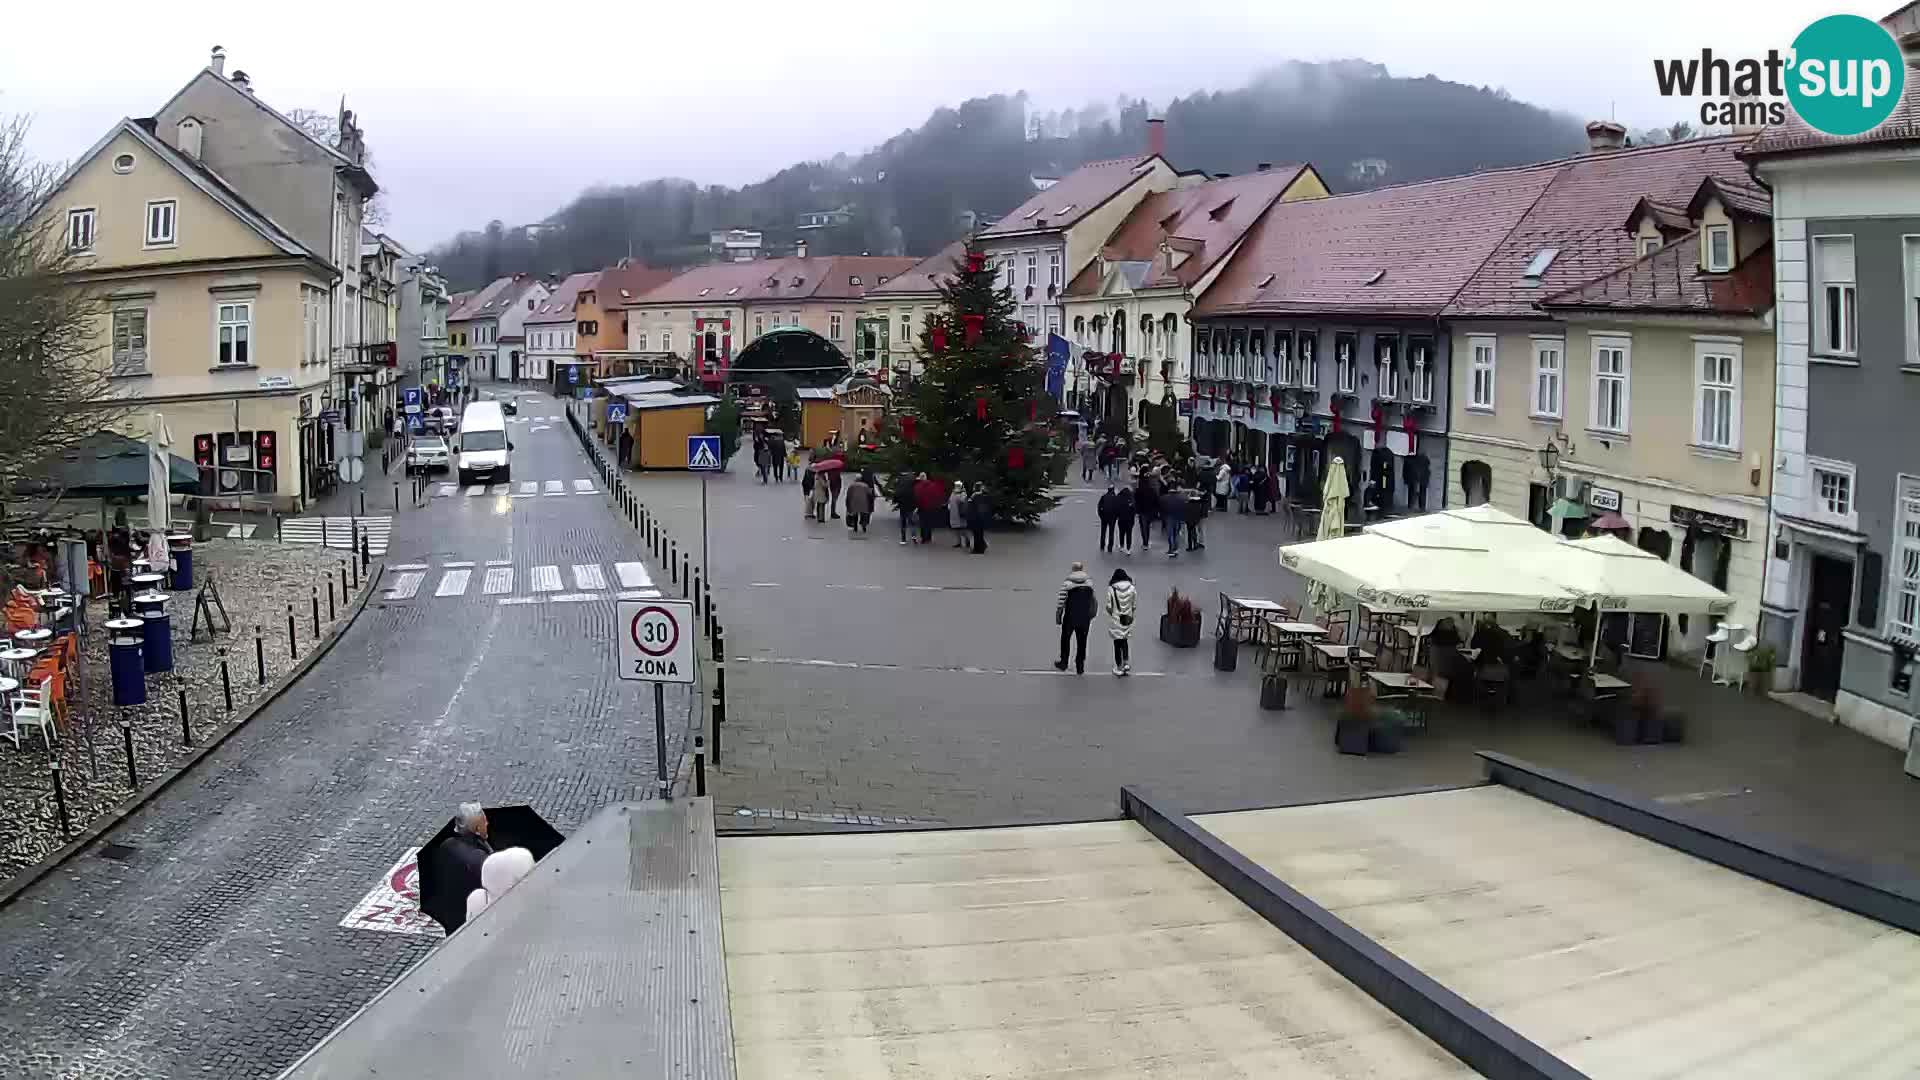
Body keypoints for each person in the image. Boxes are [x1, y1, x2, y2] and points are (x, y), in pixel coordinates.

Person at [440, 802, 493, 899]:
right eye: (485, 821)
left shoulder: (447, 844)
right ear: (478, 829)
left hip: (450, 897)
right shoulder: (478, 856)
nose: (487, 823)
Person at [1053, 562, 1098, 674]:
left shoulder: (1067, 583)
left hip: (1070, 616)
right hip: (1084, 617)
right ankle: (1080, 665)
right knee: (1082, 642)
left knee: (1065, 639)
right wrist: (1091, 614)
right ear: (1082, 569)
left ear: (1073, 569)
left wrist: (1058, 617)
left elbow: (1061, 602)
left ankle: (1064, 662)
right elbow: (1094, 601)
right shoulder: (1089, 583)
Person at [1105, 569, 1137, 675]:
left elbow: (1109, 606)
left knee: (1117, 643)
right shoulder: (1132, 588)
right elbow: (1134, 605)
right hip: (1127, 618)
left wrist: (1111, 613)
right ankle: (1126, 662)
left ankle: (1119, 667)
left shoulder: (1111, 589)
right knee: (1124, 640)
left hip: (1116, 618)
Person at [913, 473, 944, 545]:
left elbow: (917, 497)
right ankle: (929, 537)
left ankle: (924, 538)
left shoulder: (918, 486)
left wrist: (917, 506)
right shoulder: (933, 485)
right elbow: (936, 495)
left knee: (923, 522)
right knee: (929, 522)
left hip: (922, 507)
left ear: (920, 478)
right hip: (931, 507)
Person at [1162, 483, 1187, 558]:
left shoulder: (1164, 498)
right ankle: (1176, 548)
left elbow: (1162, 508)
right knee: (1176, 534)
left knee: (1170, 534)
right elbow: (1184, 508)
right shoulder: (1181, 498)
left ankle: (1171, 549)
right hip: (1178, 517)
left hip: (1168, 517)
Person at [893, 471, 919, 545]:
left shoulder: (900, 482)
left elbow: (897, 493)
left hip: (903, 505)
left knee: (903, 522)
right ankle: (913, 535)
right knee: (912, 522)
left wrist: (896, 501)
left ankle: (903, 539)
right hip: (911, 505)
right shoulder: (913, 481)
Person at [966, 485, 991, 554]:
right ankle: (981, 547)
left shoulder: (975, 495)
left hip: (976, 517)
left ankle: (978, 549)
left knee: (977, 534)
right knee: (979, 534)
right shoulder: (984, 496)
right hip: (981, 517)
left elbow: (971, 505)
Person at [1186, 481, 1209, 551]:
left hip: (1199, 516)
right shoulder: (1203, 498)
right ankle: (1199, 543)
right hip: (1201, 515)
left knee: (1197, 529)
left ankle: (1197, 543)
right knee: (1199, 529)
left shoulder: (1200, 498)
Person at [1097, 485, 1119, 552]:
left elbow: (1099, 507)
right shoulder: (1115, 498)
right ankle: (1110, 547)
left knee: (1103, 532)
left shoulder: (1104, 496)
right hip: (1112, 518)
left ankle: (1102, 546)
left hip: (1104, 517)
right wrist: (1116, 517)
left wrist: (1101, 516)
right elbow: (1117, 509)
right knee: (1111, 532)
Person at [947, 481, 970, 548]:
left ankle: (967, 540)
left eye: (958, 485)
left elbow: (962, 501)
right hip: (953, 513)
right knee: (956, 529)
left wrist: (958, 495)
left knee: (962, 529)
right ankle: (958, 542)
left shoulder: (963, 493)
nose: (957, 486)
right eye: (956, 485)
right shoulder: (953, 492)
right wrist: (949, 506)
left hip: (960, 513)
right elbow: (950, 500)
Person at [1115, 485, 1137, 555]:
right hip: (1130, 520)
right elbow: (1134, 510)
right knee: (1129, 534)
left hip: (1121, 519)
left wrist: (1117, 516)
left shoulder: (1119, 498)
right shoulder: (1132, 499)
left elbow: (1116, 508)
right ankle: (1128, 549)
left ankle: (1121, 546)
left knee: (1121, 533)